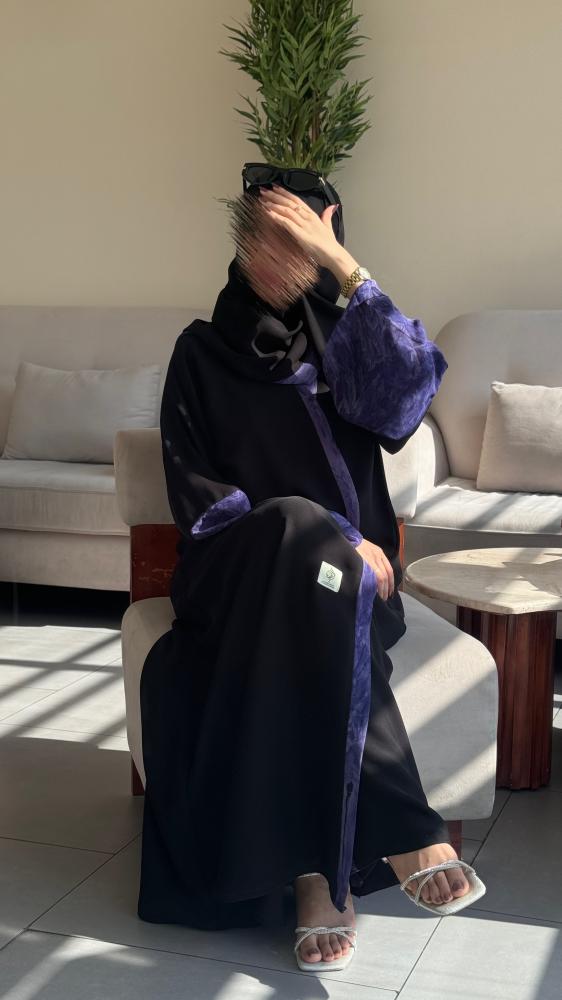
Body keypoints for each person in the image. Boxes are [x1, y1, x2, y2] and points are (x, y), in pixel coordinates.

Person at [136, 165, 480, 971]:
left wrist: (343, 267)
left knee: (326, 600)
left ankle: (317, 876)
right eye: (260, 237)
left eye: (297, 242)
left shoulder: (347, 347)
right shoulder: (199, 353)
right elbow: (202, 499)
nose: (274, 255)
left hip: (355, 589)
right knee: (298, 525)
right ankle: (406, 833)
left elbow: (407, 399)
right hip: (236, 576)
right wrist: (330, 532)